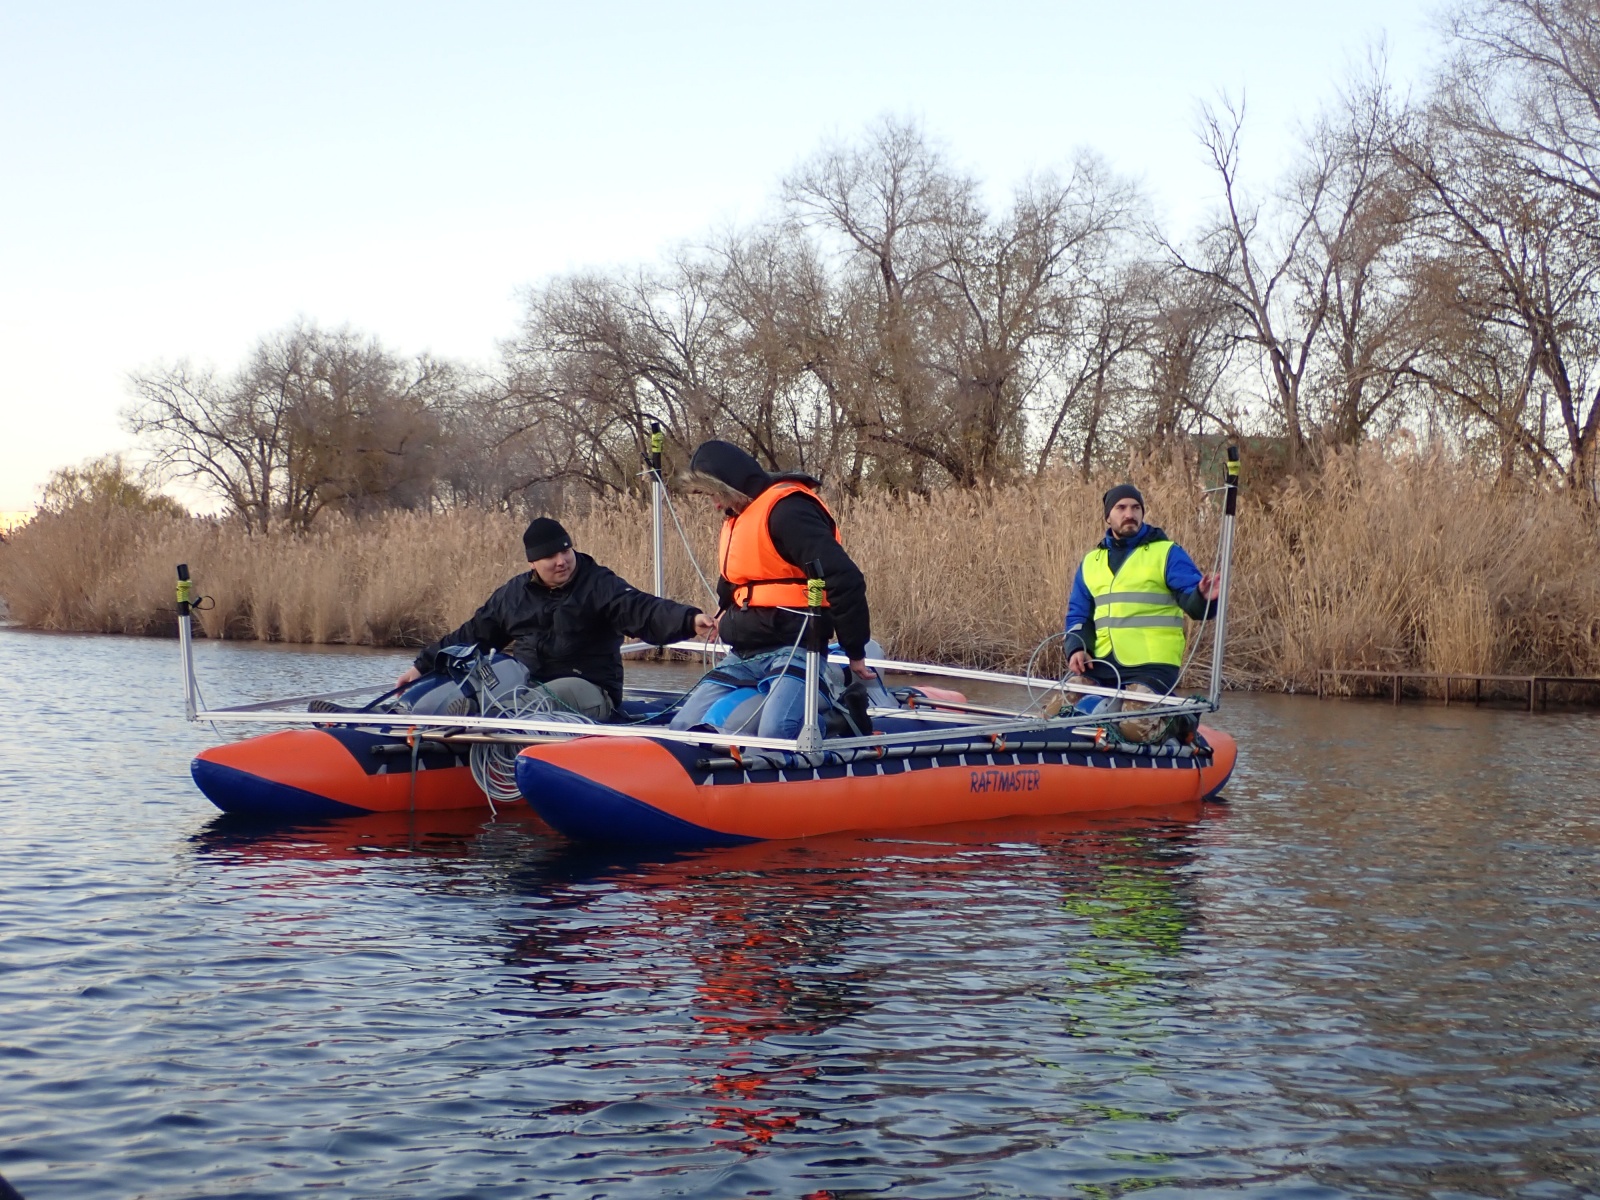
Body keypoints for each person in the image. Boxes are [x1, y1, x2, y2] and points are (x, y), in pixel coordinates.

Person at [397, 517, 716, 720]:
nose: (562, 561)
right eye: (551, 556)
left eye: (566, 551)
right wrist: (422, 666)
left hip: (590, 689)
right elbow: (473, 635)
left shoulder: (598, 584)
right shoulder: (514, 595)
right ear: (533, 562)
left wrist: (690, 620)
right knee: (490, 688)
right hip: (526, 685)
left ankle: (506, 735)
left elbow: (642, 609)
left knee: (529, 703)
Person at [669, 440, 874, 739]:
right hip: (745, 654)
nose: (714, 504)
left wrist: (855, 651)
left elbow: (845, 579)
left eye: (714, 494)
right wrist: (720, 612)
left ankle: (843, 718)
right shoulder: (738, 515)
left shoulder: (788, 512)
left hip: (795, 648)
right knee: (682, 727)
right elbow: (737, 579)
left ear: (730, 485)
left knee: (778, 730)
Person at [1062, 483, 1219, 733]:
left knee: (1133, 729)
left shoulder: (1167, 553)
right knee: (1056, 713)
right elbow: (1079, 614)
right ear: (1108, 516)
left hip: (1152, 666)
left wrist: (1203, 596)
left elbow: (1195, 606)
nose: (1129, 514)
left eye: (1136, 508)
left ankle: (1179, 720)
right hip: (1102, 665)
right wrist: (1076, 648)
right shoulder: (1091, 562)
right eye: (1121, 508)